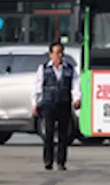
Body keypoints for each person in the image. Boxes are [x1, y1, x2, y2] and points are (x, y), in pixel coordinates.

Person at [32, 42, 81, 172]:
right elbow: (37, 87)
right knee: (48, 133)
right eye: (57, 53)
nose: (59, 55)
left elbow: (76, 85)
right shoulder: (43, 68)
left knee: (63, 135)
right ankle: (48, 160)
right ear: (51, 54)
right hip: (48, 104)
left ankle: (61, 161)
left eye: (61, 52)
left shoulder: (69, 69)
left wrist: (77, 99)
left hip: (64, 104)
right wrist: (35, 103)